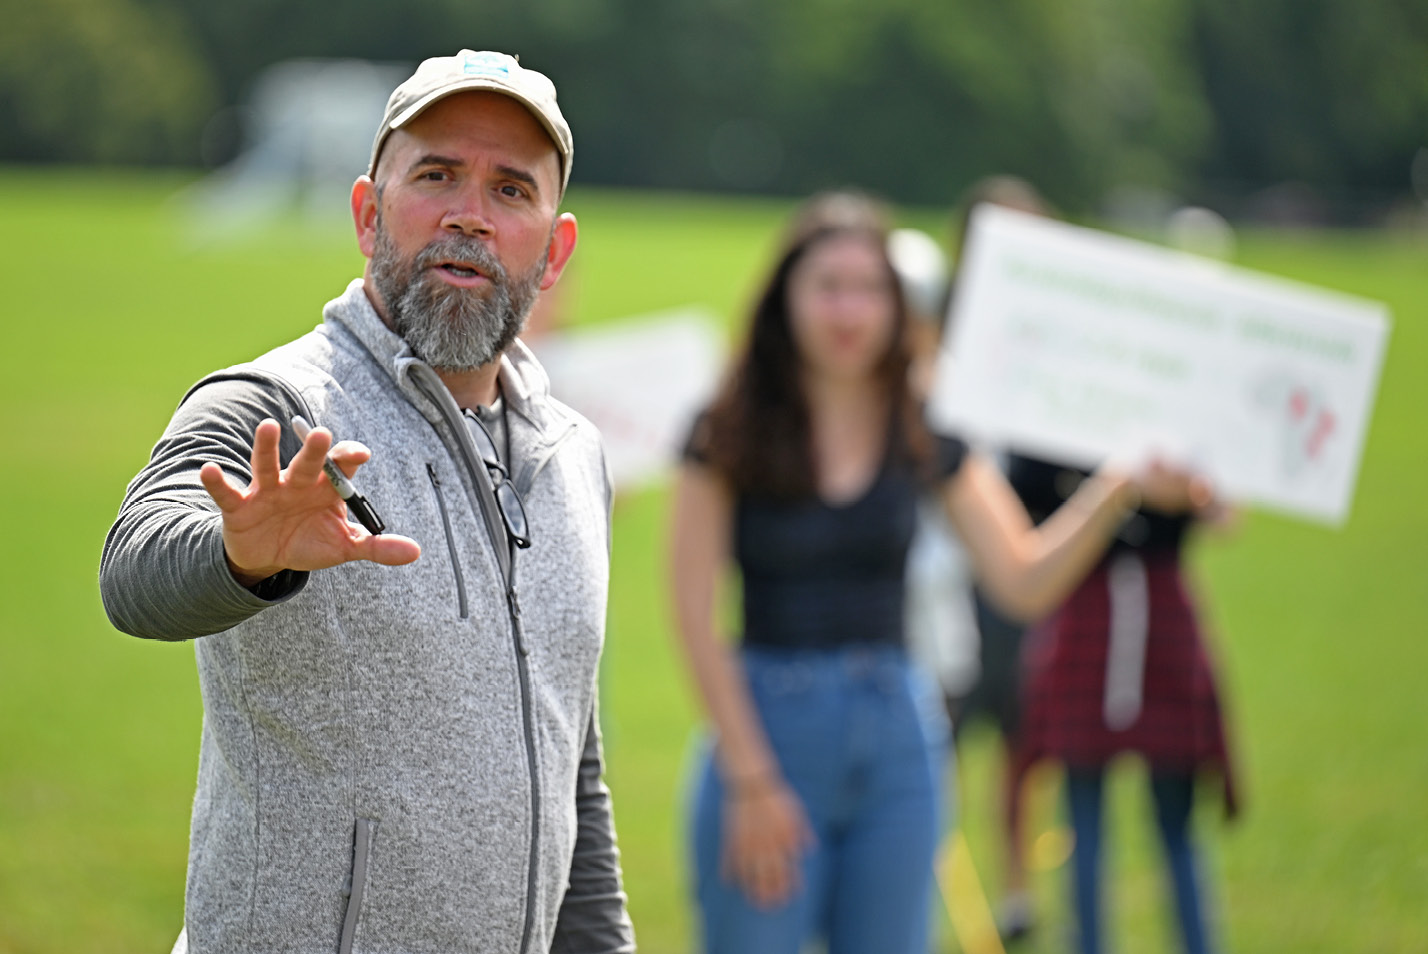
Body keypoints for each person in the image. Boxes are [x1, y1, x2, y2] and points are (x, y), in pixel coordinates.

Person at [99, 50, 635, 954]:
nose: (470, 213)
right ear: (366, 212)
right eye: (437, 175)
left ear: (555, 251)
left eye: (511, 190)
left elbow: (567, 763)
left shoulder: (576, 458)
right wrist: (240, 557)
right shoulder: (275, 406)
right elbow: (133, 570)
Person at [666, 191, 1206, 954]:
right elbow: (693, 612)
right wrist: (751, 780)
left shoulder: (923, 421)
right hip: (767, 733)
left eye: (871, 288)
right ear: (784, 299)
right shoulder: (725, 429)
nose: (849, 309)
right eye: (828, 286)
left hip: (899, 739)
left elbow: (1021, 576)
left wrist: (1118, 486)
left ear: (898, 305)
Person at [1008, 454, 1239, 954]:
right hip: (1089, 604)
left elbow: (1225, 512)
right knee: (1086, 818)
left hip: (1156, 616)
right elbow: (1025, 495)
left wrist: (1192, 494)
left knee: (1173, 823)